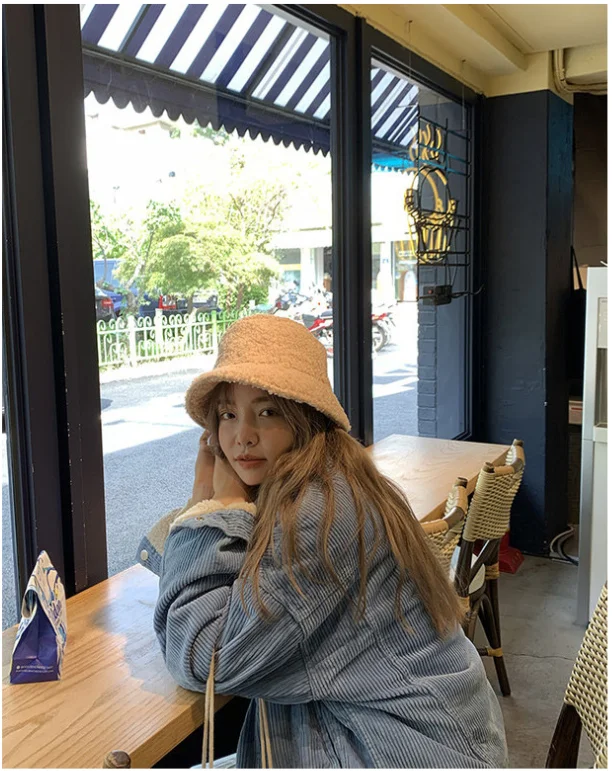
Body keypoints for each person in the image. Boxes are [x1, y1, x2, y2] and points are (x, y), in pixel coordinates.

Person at [138, 314, 507, 769]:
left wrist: (213, 506)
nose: (242, 436)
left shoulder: (320, 512)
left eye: (267, 412)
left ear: (305, 417)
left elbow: (201, 657)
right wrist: (217, 506)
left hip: (403, 748)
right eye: (228, 415)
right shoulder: (328, 477)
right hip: (394, 729)